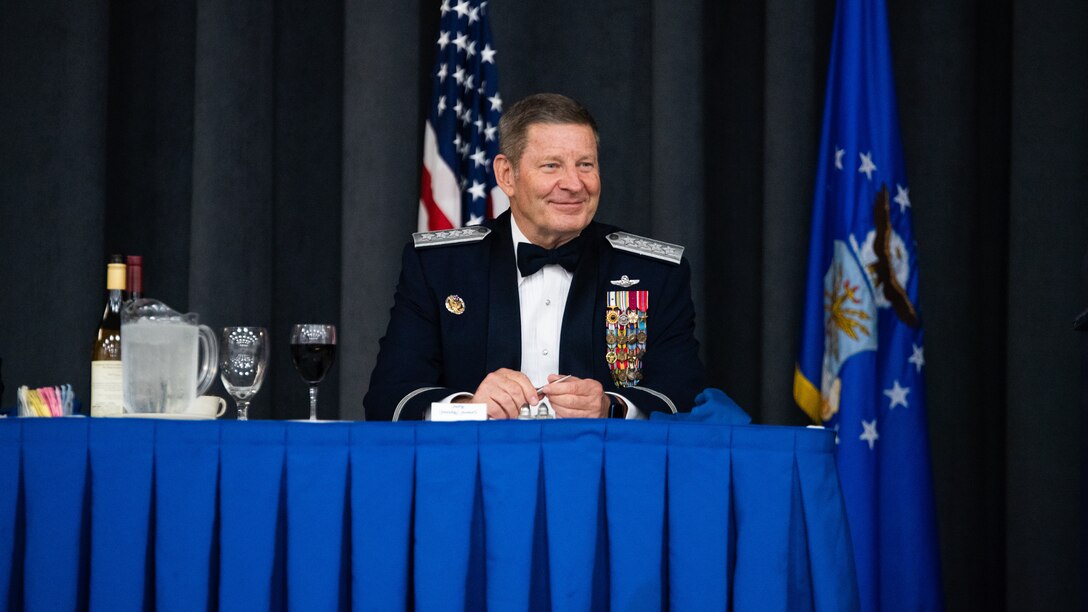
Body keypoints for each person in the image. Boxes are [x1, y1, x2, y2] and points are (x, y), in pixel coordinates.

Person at [364, 93, 705, 421]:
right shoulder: (440, 267)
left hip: (602, 472)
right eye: (551, 165)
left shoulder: (654, 272)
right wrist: (468, 405)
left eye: (585, 164)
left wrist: (611, 406)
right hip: (476, 472)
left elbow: (687, 398)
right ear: (506, 175)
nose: (574, 183)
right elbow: (388, 399)